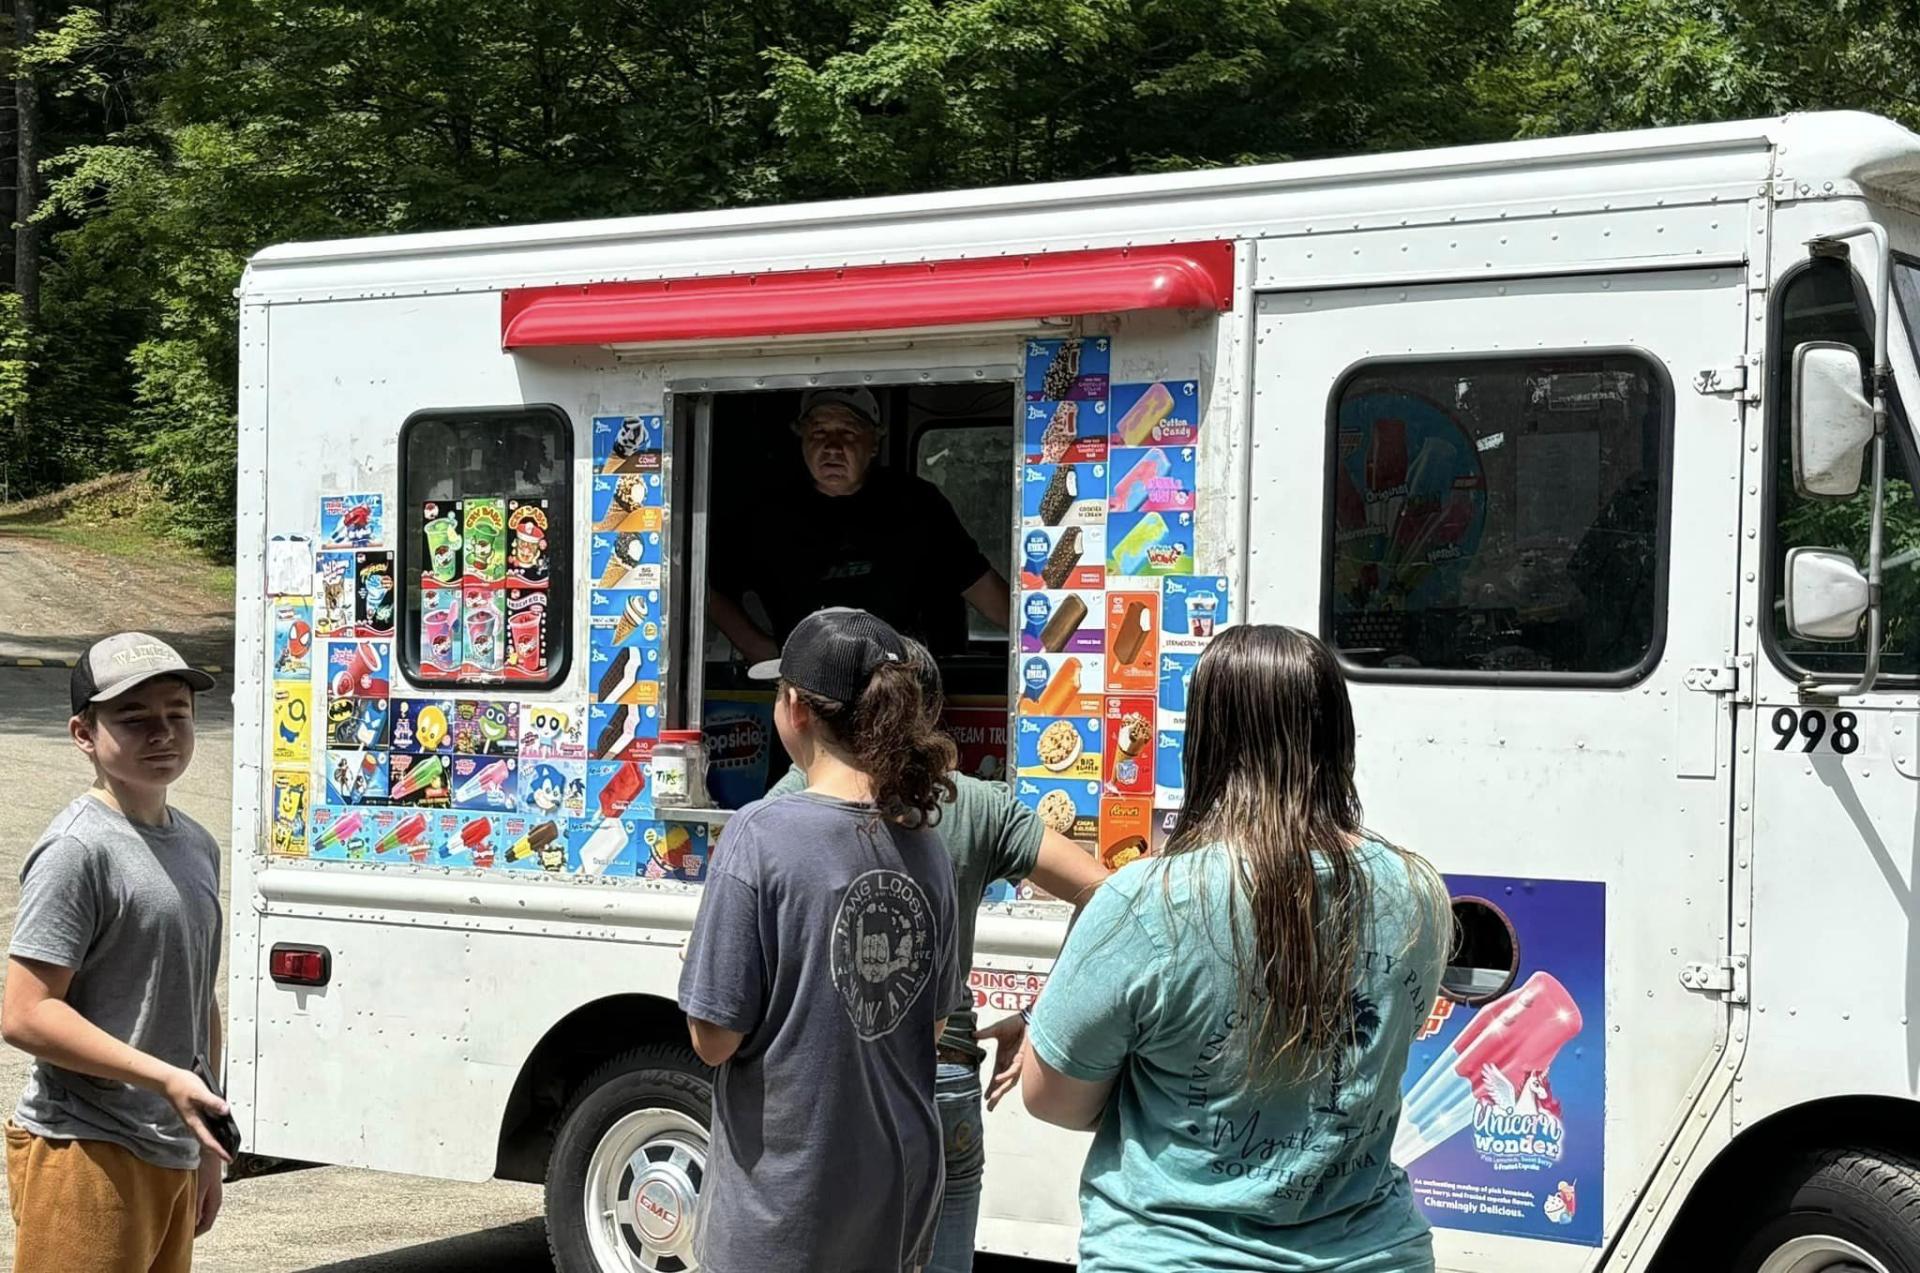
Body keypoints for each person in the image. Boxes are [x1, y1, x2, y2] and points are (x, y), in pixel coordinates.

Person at [1019, 625, 1452, 1273]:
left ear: (1204, 739)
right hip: (1373, 1254)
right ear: (1338, 736)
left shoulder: (1147, 902)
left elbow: (1051, 1095)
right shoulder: (1418, 891)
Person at [767, 638, 1110, 1273]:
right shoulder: (975, 804)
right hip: (946, 1070)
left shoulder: (788, 805)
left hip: (831, 1084)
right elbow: (1108, 894)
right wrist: (1044, 1016)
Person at [678, 608, 964, 1273]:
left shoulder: (759, 834)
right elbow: (931, 1023)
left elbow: (713, 1037)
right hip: (896, 1204)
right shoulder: (926, 842)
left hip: (782, 1212)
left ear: (795, 707)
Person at [2, 633, 231, 1273]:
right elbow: (26, 1013)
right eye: (134, 719)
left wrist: (207, 1140)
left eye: (176, 715)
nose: (162, 733)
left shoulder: (197, 844)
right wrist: (163, 1078)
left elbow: (196, 996)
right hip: (86, 1147)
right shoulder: (78, 849)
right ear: (83, 734)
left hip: (170, 1145)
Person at [708, 387, 1012, 663]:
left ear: (874, 443)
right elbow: (711, 593)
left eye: (848, 433)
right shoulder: (767, 513)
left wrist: (1045, 643)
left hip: (895, 684)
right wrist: (762, 649)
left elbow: (981, 587)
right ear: (801, 438)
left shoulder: (915, 504)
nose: (832, 448)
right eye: (818, 433)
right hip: (802, 688)